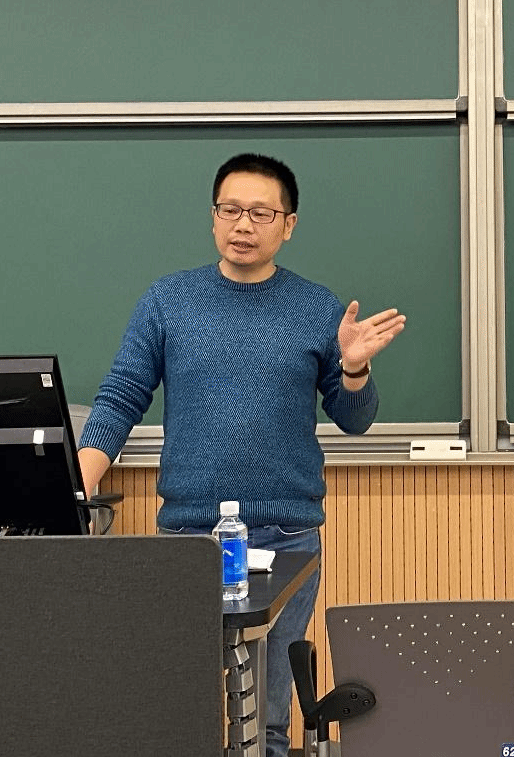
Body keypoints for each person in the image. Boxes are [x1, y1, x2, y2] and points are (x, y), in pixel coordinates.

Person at [76, 152, 405, 757]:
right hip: (189, 537)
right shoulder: (169, 301)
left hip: (286, 536)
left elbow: (354, 420)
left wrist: (354, 369)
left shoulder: (317, 308)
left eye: (260, 213)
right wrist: (77, 485)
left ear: (289, 224)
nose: (243, 225)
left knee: (268, 717)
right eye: (230, 210)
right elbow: (122, 396)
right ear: (213, 217)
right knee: (183, 712)